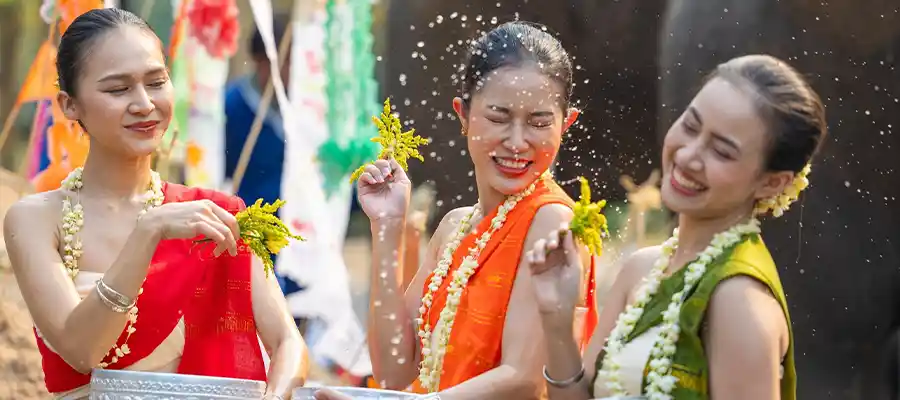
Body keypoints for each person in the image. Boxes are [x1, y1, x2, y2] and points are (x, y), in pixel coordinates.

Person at [2, 9, 308, 399]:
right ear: (69, 105)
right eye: (118, 89)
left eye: (156, 82)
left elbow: (288, 343)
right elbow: (82, 350)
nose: (144, 103)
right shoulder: (36, 219)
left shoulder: (215, 214)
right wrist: (148, 232)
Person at [317, 21, 597, 400]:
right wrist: (387, 227)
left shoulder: (553, 220)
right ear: (463, 115)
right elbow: (393, 371)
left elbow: (523, 378)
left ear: (566, 124)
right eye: (498, 118)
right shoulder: (453, 227)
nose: (517, 142)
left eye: (539, 123)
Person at [530, 54, 826, 400]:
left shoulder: (739, 301)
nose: (687, 156)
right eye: (690, 125)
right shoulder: (641, 268)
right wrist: (557, 321)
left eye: (722, 151)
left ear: (772, 183)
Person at [223, 15, 306, 299]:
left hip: (300, 237)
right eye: (287, 61)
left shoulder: (308, 109)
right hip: (253, 237)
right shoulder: (231, 107)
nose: (294, 71)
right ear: (262, 62)